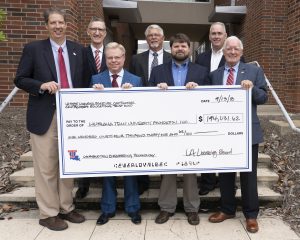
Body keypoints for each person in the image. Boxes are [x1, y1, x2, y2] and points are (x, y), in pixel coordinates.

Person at [14, 7, 86, 231]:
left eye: (61, 22)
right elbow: (20, 79)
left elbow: (83, 81)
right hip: (46, 114)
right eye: (53, 23)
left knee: (68, 164)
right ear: (47, 25)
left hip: (72, 116)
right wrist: (41, 85)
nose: (57, 26)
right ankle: (48, 213)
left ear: (67, 25)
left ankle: (66, 207)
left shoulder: (78, 50)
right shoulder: (34, 49)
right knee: (46, 166)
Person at [207, 36, 268, 233]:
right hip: (223, 133)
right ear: (223, 52)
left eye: (236, 49)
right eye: (228, 49)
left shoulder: (254, 71)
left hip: (247, 131)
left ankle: (251, 215)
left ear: (241, 52)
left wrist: (251, 89)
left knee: (249, 176)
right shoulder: (215, 75)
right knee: (225, 174)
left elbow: (263, 97)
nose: (232, 52)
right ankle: (227, 209)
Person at [149, 33, 209, 226]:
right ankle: (167, 207)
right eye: (176, 46)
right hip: (166, 128)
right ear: (171, 49)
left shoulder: (201, 72)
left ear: (189, 49)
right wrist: (157, 91)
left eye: (183, 45)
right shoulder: (158, 71)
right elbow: (146, 100)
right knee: (168, 169)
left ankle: (192, 208)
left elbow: (209, 98)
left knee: (190, 168)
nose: (180, 49)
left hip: (192, 128)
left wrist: (198, 89)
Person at [91, 42, 142, 225]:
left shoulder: (135, 80)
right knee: (108, 174)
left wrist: (133, 94)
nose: (113, 60)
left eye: (117, 57)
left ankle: (133, 208)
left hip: (128, 135)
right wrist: (94, 95)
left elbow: (142, 109)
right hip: (105, 135)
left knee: (130, 173)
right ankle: (107, 209)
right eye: (110, 57)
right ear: (105, 59)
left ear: (123, 58)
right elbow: (89, 110)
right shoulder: (96, 79)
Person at [195, 22, 244, 195]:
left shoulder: (234, 55)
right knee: (206, 145)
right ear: (209, 36)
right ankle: (207, 183)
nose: (216, 36)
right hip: (205, 109)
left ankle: (227, 184)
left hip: (227, 111)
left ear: (225, 35)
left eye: (219, 33)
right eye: (213, 33)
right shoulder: (200, 58)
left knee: (226, 149)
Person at [129, 24, 172, 195]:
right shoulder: (136, 59)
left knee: (165, 145)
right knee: (142, 146)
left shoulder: (172, 58)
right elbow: (132, 81)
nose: (153, 38)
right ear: (146, 39)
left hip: (166, 109)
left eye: (157, 35)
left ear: (163, 38)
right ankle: (142, 181)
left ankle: (165, 181)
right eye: (150, 35)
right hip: (141, 110)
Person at [75, 16, 108, 199]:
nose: (97, 33)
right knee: (85, 145)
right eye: (93, 29)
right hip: (85, 107)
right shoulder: (79, 53)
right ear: (88, 31)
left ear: (105, 33)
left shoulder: (112, 52)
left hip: (106, 108)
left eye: (100, 30)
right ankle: (83, 184)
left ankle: (106, 183)